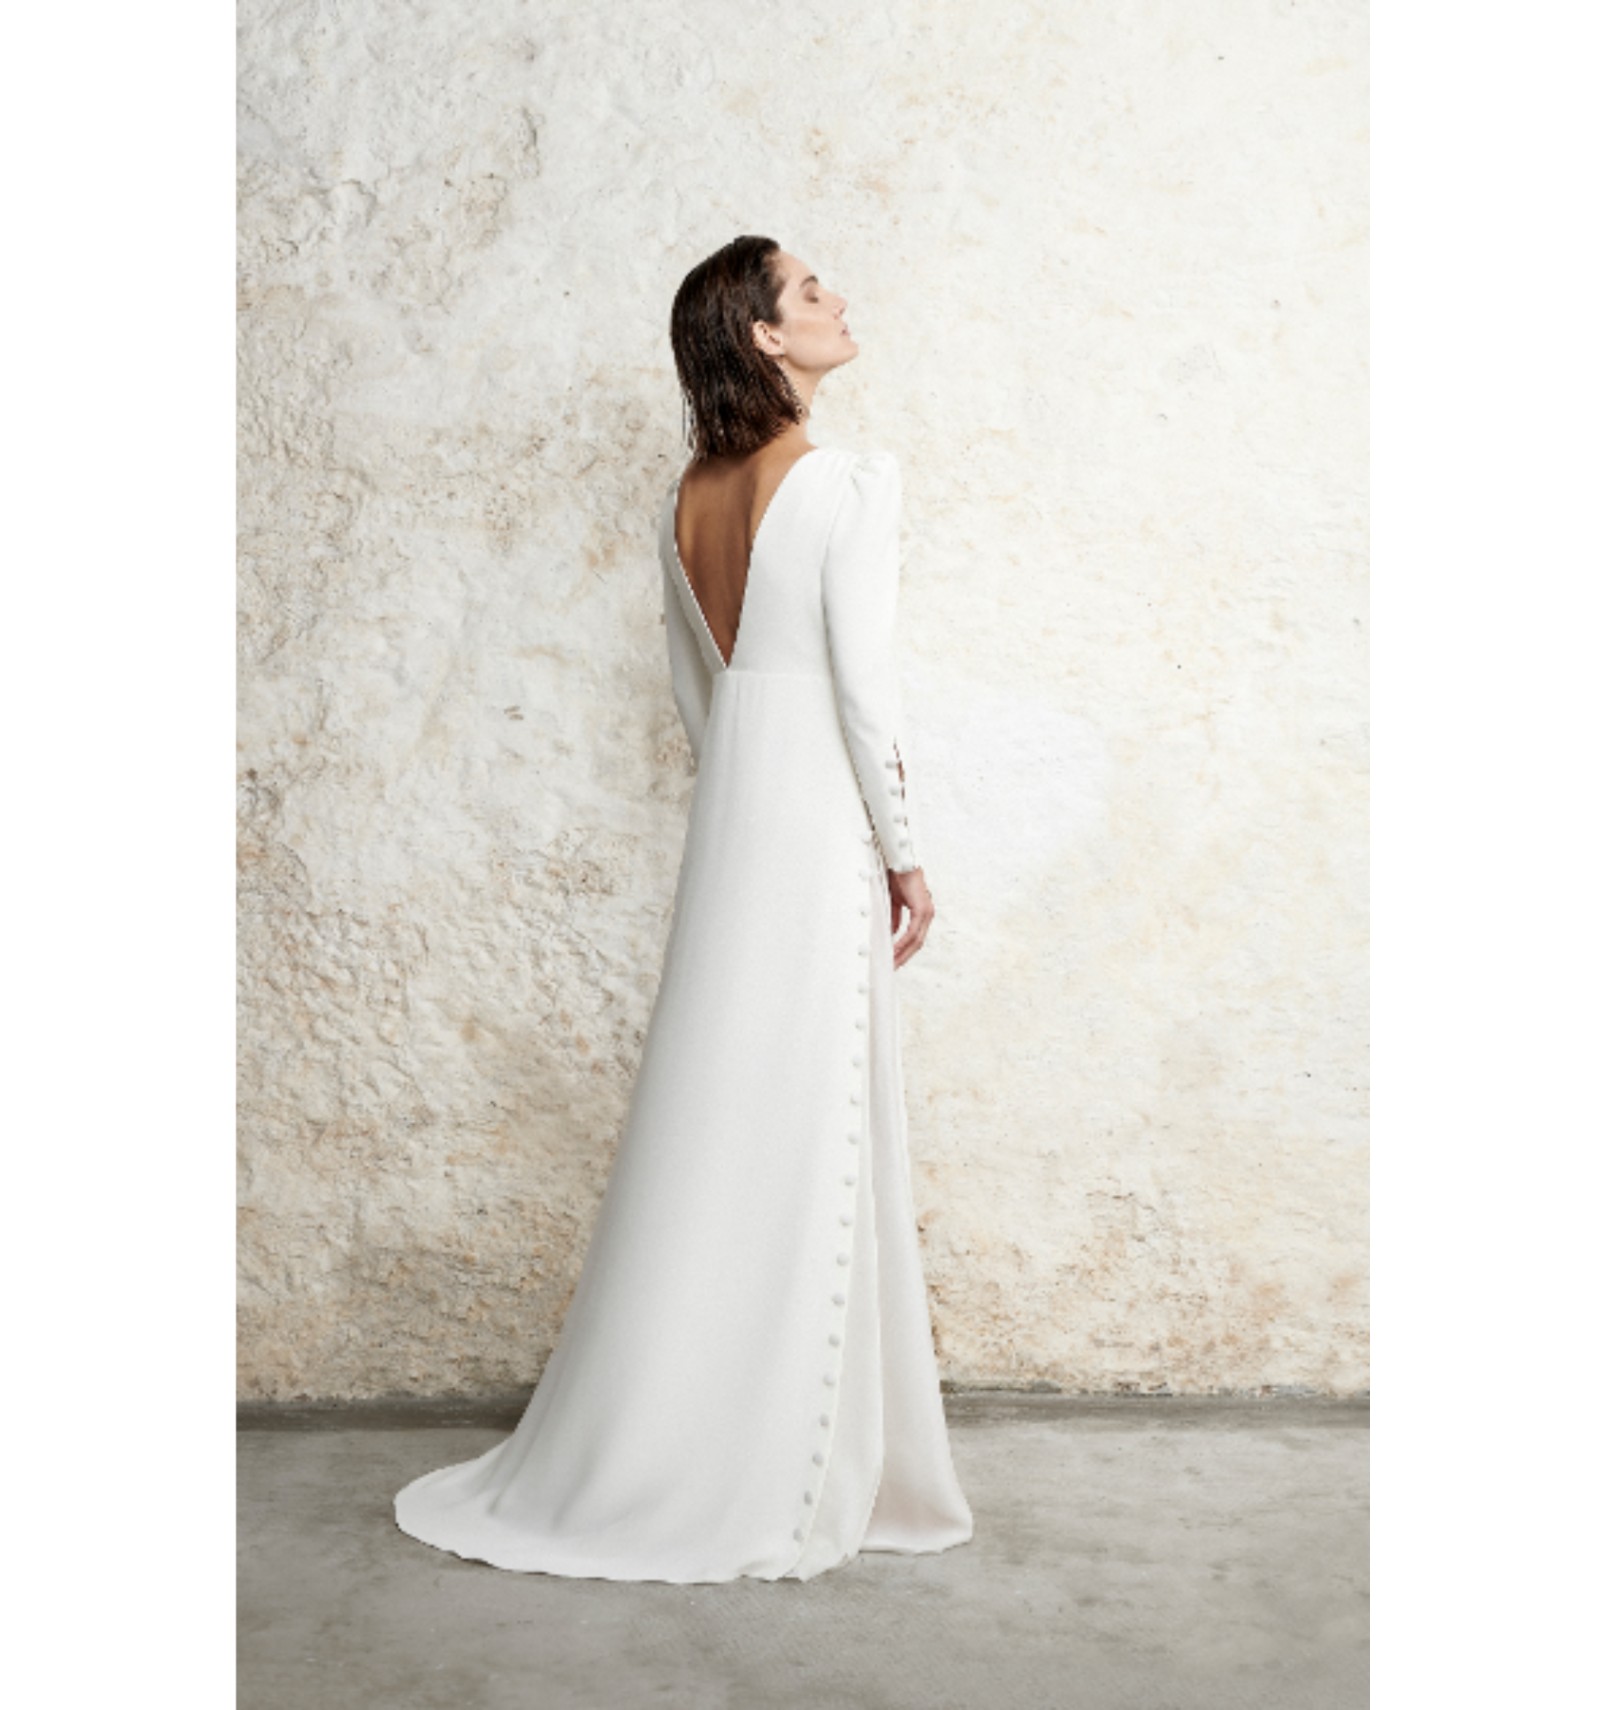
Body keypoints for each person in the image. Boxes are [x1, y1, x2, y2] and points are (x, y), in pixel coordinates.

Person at [394, 236, 974, 1583]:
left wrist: (744, 801)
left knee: (723, 1107)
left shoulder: (688, 497)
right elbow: (863, 686)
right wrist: (903, 852)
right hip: (817, 819)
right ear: (766, 337)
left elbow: (696, 688)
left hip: (738, 821)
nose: (837, 299)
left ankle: (685, 1418)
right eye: (811, 291)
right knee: (811, 1113)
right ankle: (780, 1456)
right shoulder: (842, 482)